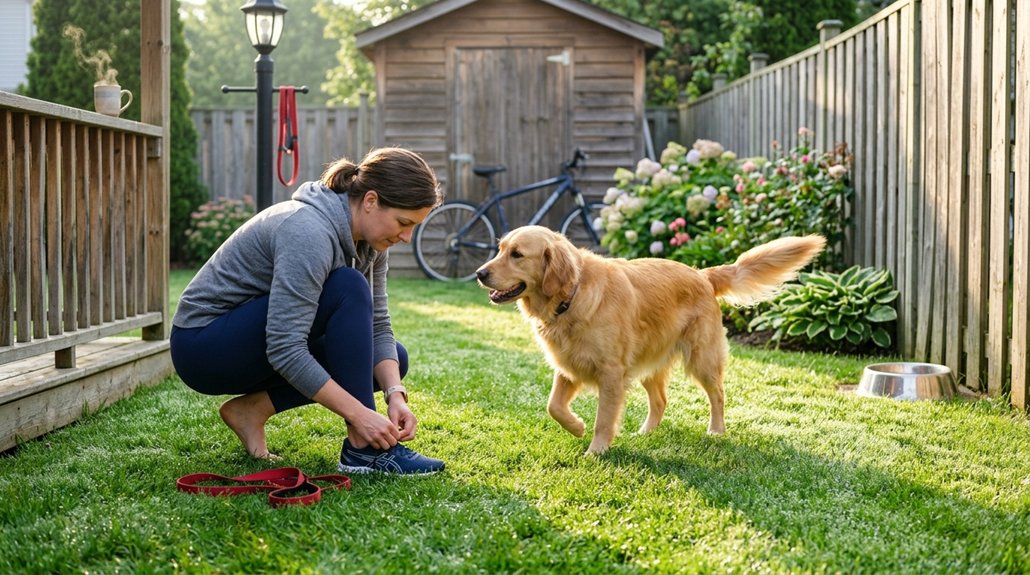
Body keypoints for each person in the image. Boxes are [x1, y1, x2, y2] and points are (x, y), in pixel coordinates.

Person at [170, 147, 445, 475]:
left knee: (392, 360)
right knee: (347, 285)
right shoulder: (308, 231)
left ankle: (251, 410)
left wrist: (395, 394)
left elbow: (378, 325)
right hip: (204, 346)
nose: (406, 236)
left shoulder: (371, 241)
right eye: (403, 222)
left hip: (247, 342)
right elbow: (285, 348)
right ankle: (363, 450)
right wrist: (360, 415)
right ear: (370, 201)